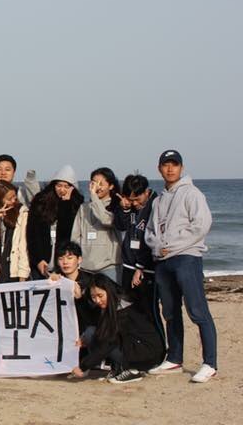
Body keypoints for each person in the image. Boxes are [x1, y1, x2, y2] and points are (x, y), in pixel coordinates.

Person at [144, 150, 218, 383]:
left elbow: (202, 225)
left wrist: (170, 245)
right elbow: (150, 231)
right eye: (166, 165)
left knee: (197, 311)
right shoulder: (158, 200)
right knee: (170, 312)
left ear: (181, 168)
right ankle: (174, 358)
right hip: (163, 261)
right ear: (159, 169)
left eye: (174, 164)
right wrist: (158, 247)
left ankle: (210, 363)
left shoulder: (192, 193)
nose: (170, 169)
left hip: (187, 258)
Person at [68, 274, 165, 384]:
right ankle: (119, 367)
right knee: (92, 332)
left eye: (100, 295)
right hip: (134, 347)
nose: (97, 300)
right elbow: (92, 321)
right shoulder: (110, 304)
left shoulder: (122, 310)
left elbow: (108, 344)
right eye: (93, 297)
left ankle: (130, 370)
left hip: (147, 354)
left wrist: (83, 366)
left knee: (105, 341)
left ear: (109, 291)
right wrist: (80, 299)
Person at [25, 165, 83, 279]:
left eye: (66, 186)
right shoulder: (41, 202)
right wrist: (38, 260)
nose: (62, 190)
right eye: (59, 185)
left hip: (63, 262)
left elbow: (67, 232)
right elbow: (32, 233)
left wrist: (66, 204)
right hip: (41, 261)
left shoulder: (76, 204)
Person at [115, 174, 159, 321]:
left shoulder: (156, 205)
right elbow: (121, 226)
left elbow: (152, 240)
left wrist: (140, 266)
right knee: (128, 310)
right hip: (128, 264)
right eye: (131, 199)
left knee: (149, 312)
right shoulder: (131, 206)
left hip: (147, 269)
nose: (134, 203)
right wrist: (124, 209)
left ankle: (155, 337)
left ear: (146, 192)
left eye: (137, 199)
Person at [71, 167, 123, 283]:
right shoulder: (84, 207)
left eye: (101, 184)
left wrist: (94, 197)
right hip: (86, 267)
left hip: (108, 266)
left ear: (111, 186)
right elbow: (75, 236)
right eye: (94, 183)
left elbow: (106, 220)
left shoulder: (116, 205)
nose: (97, 187)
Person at [48, 241, 98, 332]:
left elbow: (93, 316)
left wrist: (80, 299)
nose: (65, 262)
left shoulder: (90, 281)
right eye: (61, 259)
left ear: (79, 260)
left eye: (69, 258)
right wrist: (50, 284)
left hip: (86, 329)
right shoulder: (56, 281)